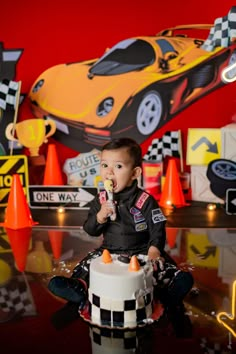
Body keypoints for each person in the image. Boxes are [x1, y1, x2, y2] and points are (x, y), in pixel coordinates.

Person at [48, 137, 193, 336]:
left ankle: (168, 294)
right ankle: (79, 288)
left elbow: (158, 227)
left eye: (118, 166)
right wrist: (100, 216)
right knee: (87, 265)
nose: (109, 172)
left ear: (135, 173)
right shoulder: (100, 199)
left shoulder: (145, 201)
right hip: (110, 250)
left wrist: (154, 250)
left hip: (142, 249)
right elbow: (90, 229)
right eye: (105, 165)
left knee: (161, 269)